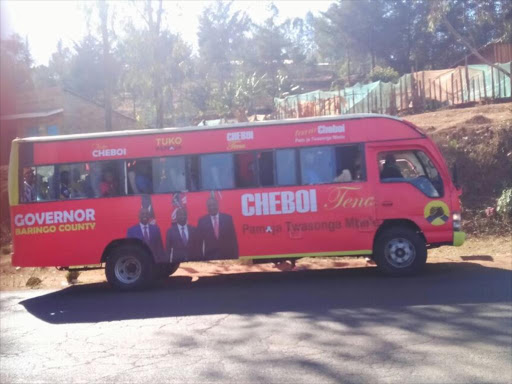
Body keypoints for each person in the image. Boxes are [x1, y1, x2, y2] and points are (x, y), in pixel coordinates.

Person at [197, 196, 238, 260]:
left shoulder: (227, 218)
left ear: (217, 205)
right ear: (207, 207)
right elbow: (198, 242)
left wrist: (235, 256)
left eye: (214, 205)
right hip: (209, 257)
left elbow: (233, 240)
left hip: (227, 256)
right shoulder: (202, 221)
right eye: (209, 205)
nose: (212, 207)